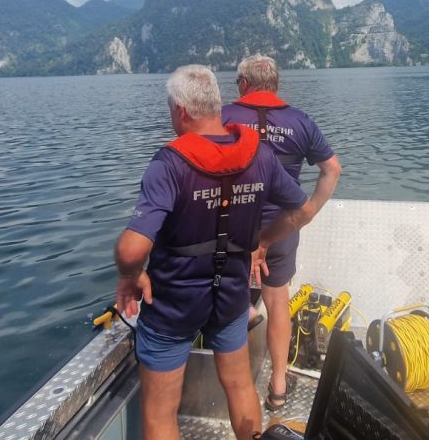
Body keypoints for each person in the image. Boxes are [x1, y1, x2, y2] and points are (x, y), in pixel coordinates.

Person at [115, 65, 316, 440]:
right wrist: (263, 242)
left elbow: (131, 248)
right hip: (230, 297)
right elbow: (302, 210)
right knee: (240, 386)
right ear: (217, 107)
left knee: (160, 412)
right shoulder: (260, 157)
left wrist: (131, 274)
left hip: (174, 302)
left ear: (181, 111)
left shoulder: (169, 164)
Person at [221, 55, 342, 412]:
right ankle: (277, 387)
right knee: (278, 302)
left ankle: (243, 328)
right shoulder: (299, 121)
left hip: (233, 226)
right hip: (281, 227)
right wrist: (306, 213)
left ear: (243, 84)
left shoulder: (224, 117)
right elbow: (332, 169)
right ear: (276, 84)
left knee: (225, 292)